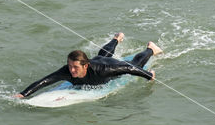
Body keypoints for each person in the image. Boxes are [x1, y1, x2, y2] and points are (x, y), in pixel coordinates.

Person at [13, 33, 162, 99]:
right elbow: (46, 80)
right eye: (70, 66)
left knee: (133, 63)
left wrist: (149, 76)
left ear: (85, 66)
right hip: (97, 60)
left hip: (107, 64)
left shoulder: (104, 71)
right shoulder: (67, 71)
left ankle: (151, 49)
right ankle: (116, 38)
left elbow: (129, 69)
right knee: (102, 54)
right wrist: (23, 94)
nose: (71, 70)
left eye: (75, 67)